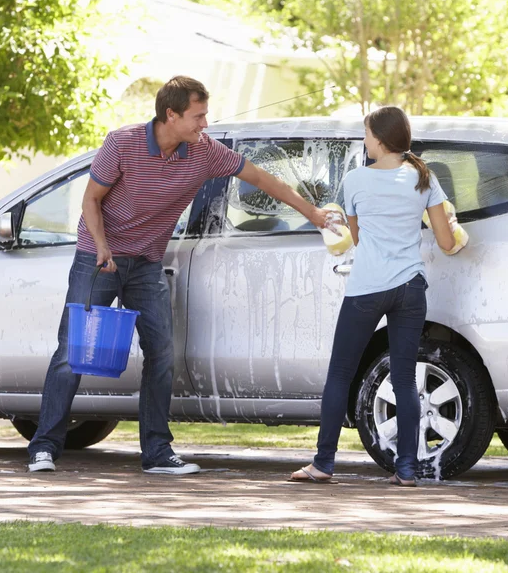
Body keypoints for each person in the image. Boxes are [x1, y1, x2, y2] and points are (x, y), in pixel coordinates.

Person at [28, 75, 331, 474]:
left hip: (146, 263)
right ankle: (44, 447)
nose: (205, 124)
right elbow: (90, 200)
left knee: (162, 353)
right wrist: (102, 247)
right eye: (198, 116)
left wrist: (313, 213)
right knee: (73, 352)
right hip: (98, 256)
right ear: (170, 115)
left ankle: (156, 453)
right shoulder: (122, 143)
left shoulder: (204, 152)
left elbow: (260, 178)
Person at [289, 105, 457, 487]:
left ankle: (323, 464)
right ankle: (407, 470)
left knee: (340, 375)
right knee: (403, 379)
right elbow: (446, 241)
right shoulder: (423, 177)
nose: (364, 141)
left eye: (366, 135)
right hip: (411, 288)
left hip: (367, 287)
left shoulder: (355, 181)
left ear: (379, 140)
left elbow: (359, 237)